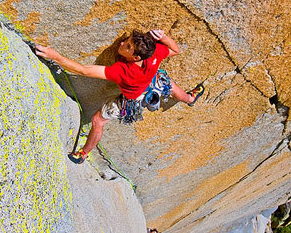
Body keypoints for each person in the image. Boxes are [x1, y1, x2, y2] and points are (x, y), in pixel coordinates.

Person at [35, 29, 204, 164]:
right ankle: (190, 98)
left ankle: (83, 154)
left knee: (98, 121)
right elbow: (175, 50)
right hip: (153, 81)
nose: (122, 43)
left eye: (128, 46)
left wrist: (55, 56)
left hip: (133, 99)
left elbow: (83, 70)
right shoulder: (154, 53)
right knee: (168, 85)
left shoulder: (122, 71)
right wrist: (164, 37)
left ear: (136, 57)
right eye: (127, 40)